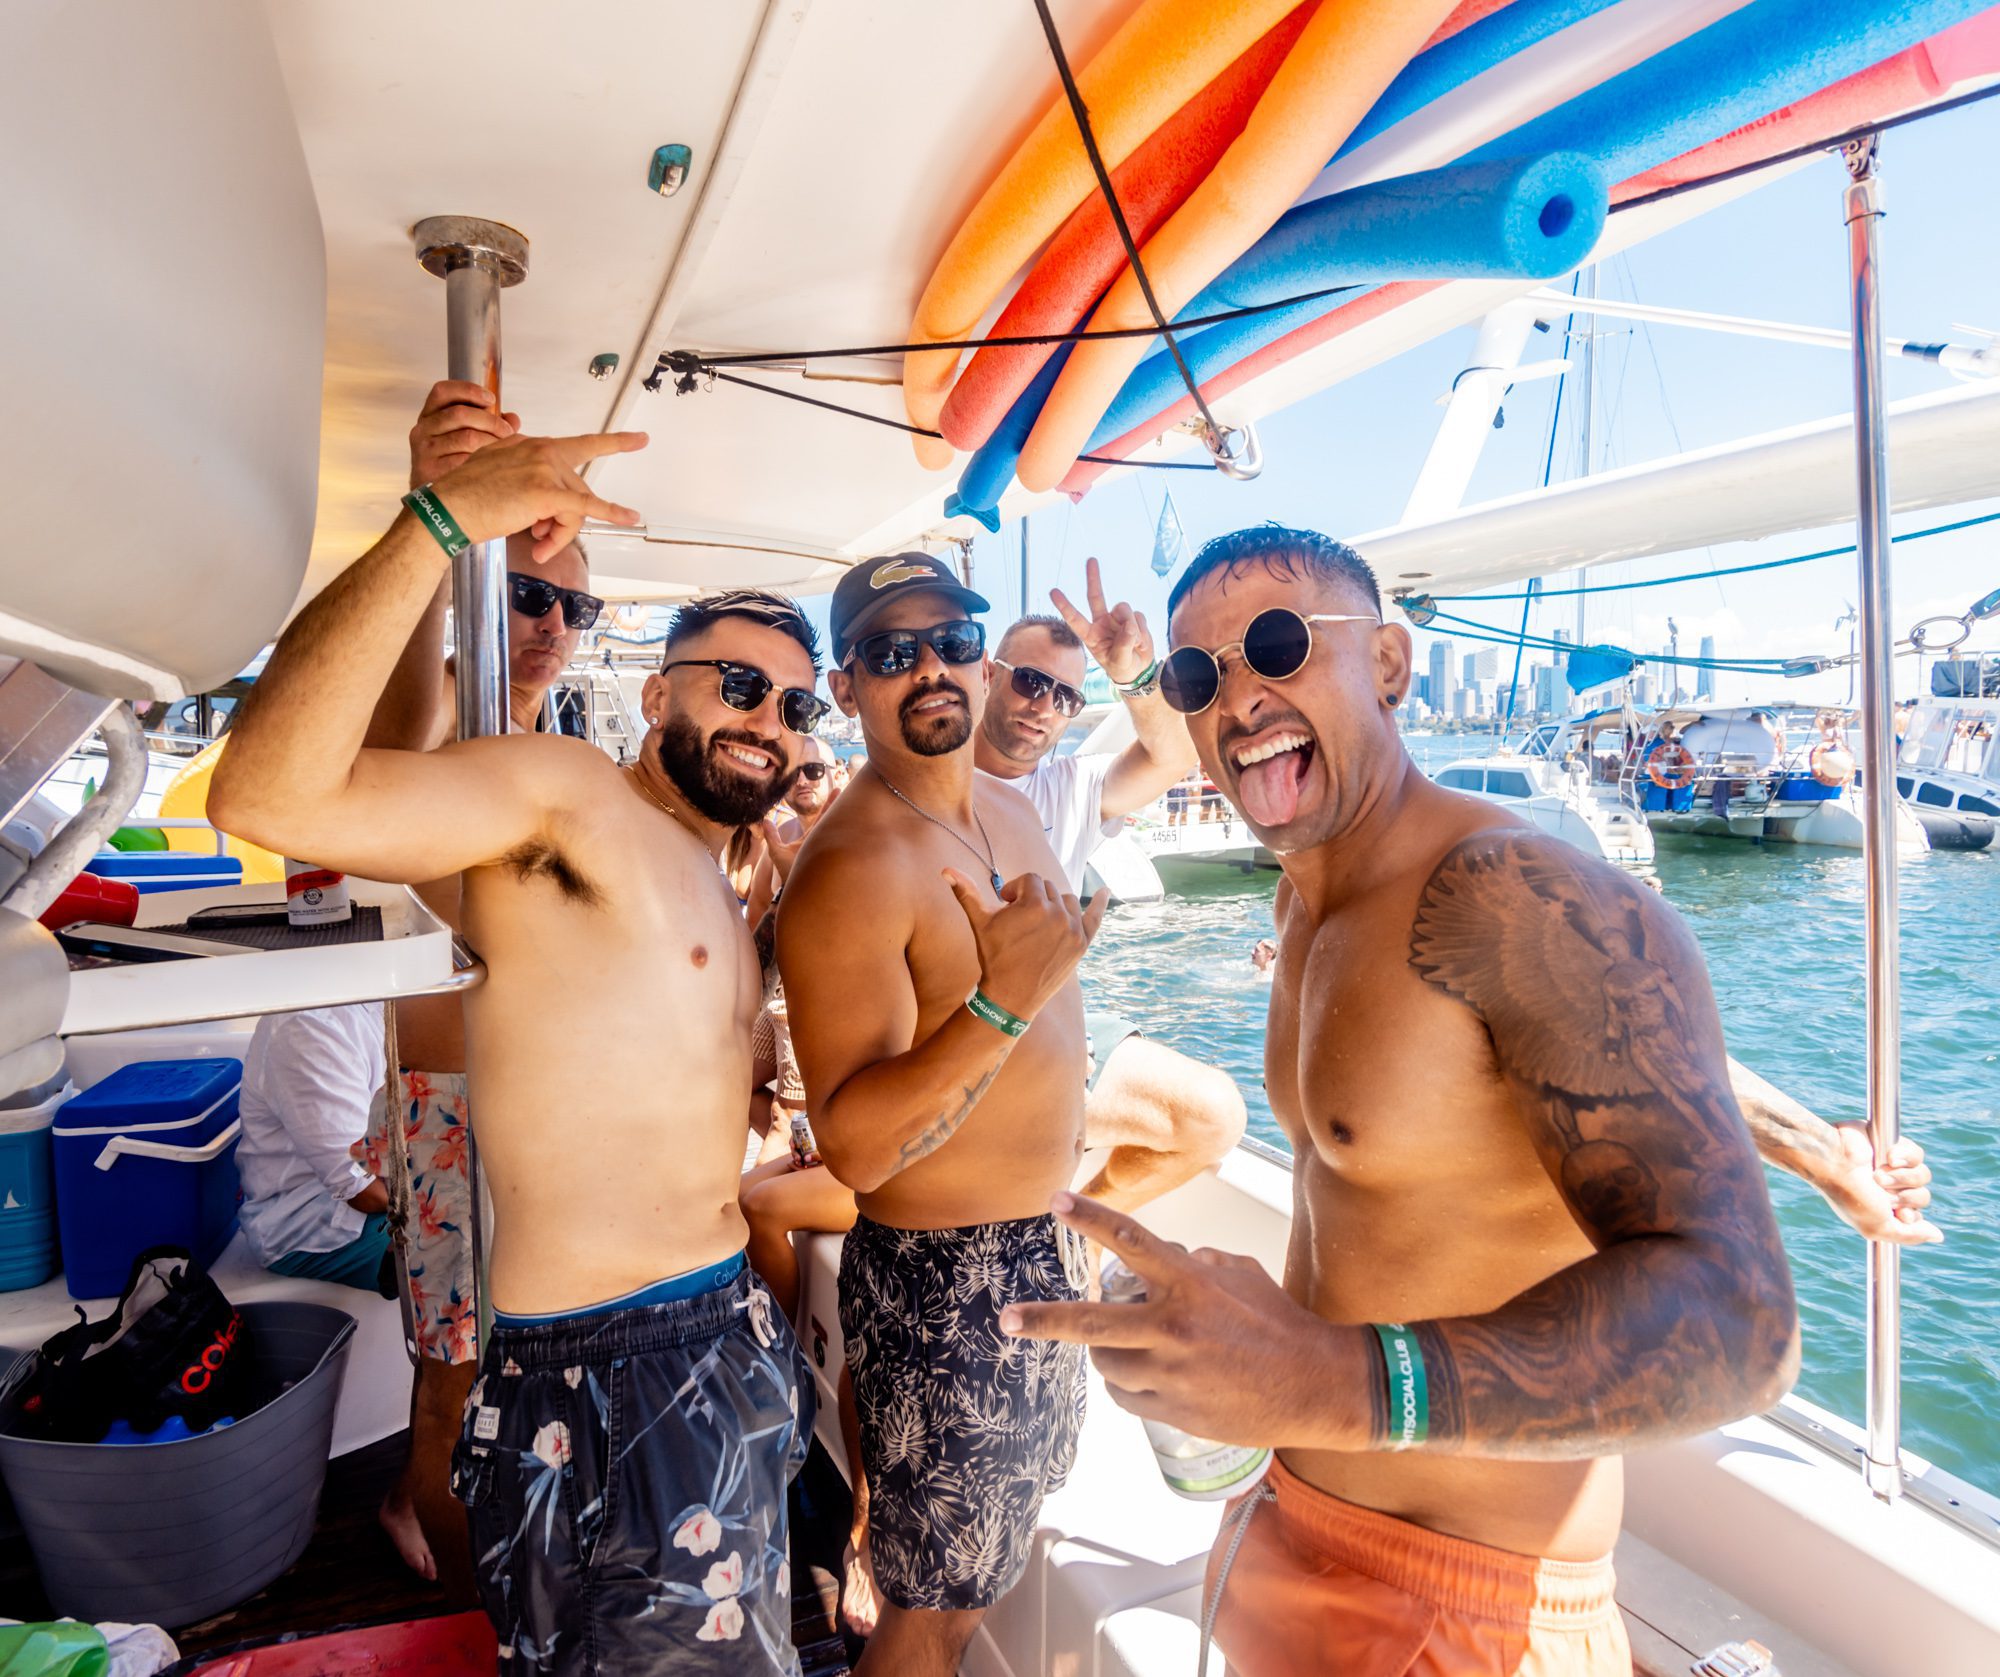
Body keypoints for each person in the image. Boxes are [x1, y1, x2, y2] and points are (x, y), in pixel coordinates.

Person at [1004, 527, 1936, 1677]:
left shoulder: (1509, 889)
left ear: (1388, 665)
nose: (1239, 699)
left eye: (1280, 648)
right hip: (1289, 1516)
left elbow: (1739, 1324)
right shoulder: (1309, 900)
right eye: (1201, 678)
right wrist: (1813, 1148)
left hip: (1464, 1608)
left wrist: (1330, 1379)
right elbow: (1582, 1056)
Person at [210, 425, 824, 1675]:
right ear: (656, 693)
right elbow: (269, 792)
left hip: (721, 1340)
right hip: (614, 1373)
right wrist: (436, 529)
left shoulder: (721, 876)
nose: (770, 719)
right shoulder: (567, 804)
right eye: (738, 684)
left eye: (796, 702)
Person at [778, 552, 1106, 1677]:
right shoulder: (850, 868)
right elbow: (858, 1150)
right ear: (847, 684)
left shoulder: (1009, 807)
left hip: (1048, 1243)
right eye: (890, 650)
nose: (930, 668)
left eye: (953, 643)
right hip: (948, 1286)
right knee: (938, 1614)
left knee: (988, 1568)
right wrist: (1003, 1004)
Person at [353, 380, 611, 1600]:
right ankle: (471, 1614)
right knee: (456, 1382)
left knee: (526, 1369)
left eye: (573, 603)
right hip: (454, 1110)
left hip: (543, 1106)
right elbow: (383, 763)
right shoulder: (451, 719)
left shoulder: (559, 747)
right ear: (470, 605)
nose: (553, 624)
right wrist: (438, 522)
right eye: (525, 598)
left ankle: (426, 1505)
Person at [972, 564, 1246, 1213]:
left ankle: (1081, 1225)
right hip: (957, 1045)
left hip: (1054, 1038)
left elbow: (1171, 757)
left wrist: (1133, 677)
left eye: (1065, 696)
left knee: (1214, 1117)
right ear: (987, 673)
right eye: (1031, 681)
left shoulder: (1070, 787)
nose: (1045, 706)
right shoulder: (928, 785)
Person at [236, 1002, 428, 1577]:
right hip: (312, 1224)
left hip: (381, 1190)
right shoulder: (310, 1024)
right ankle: (408, 1498)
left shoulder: (393, 996)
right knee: (458, 1275)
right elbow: (358, 1185)